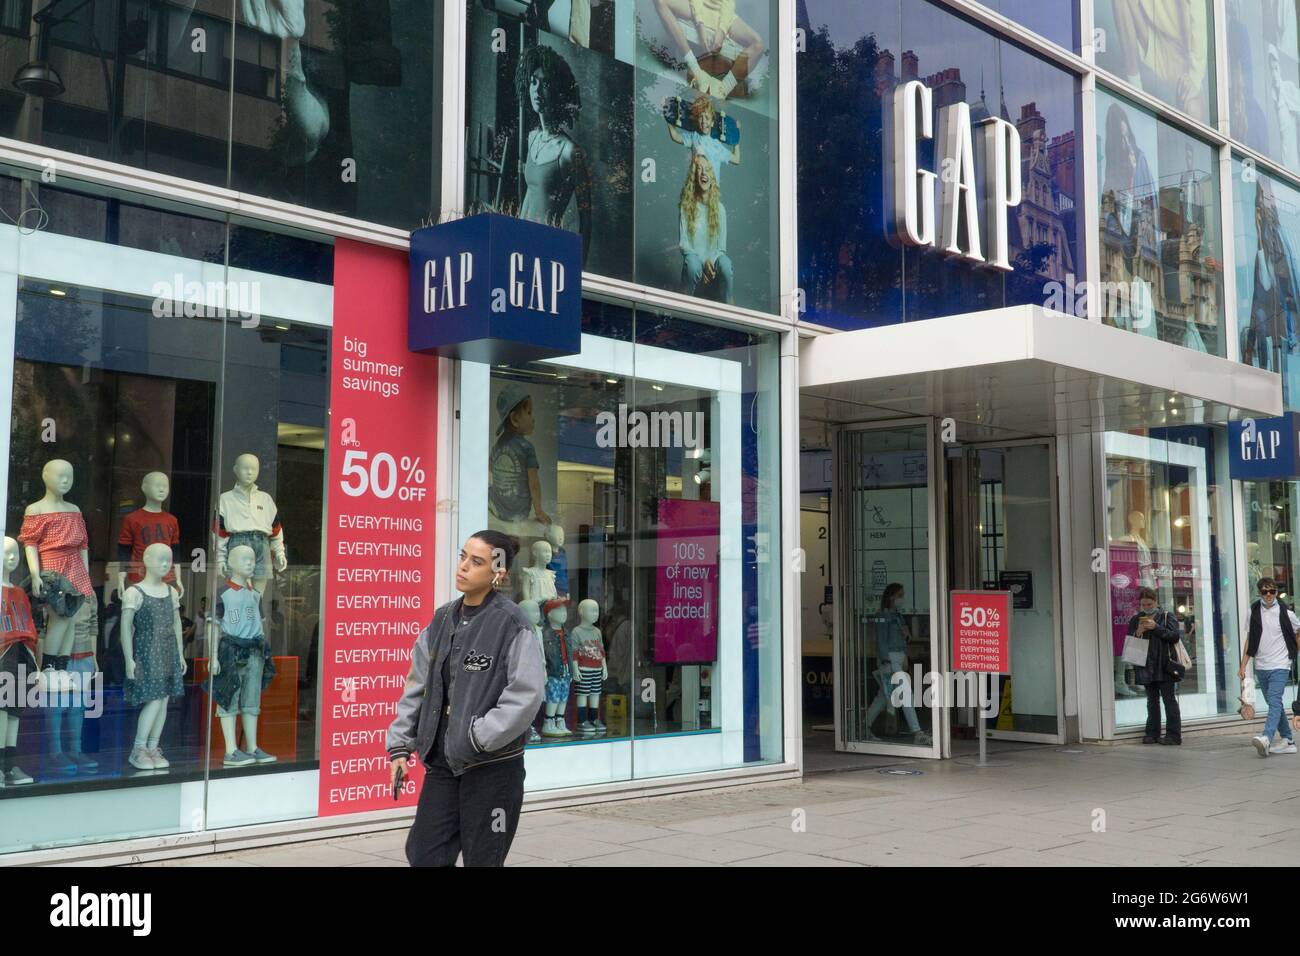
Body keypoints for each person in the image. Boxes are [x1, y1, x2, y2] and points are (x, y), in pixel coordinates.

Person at [387, 531, 545, 866]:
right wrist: (400, 745)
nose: (463, 567)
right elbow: (417, 684)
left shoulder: (512, 623)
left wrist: (478, 736)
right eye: (463, 557)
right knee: (424, 854)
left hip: (492, 769)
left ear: (497, 572)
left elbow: (526, 695)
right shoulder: (442, 618)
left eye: (477, 562)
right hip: (443, 765)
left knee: (483, 859)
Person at [515, 44, 593, 264]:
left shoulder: (569, 152)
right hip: (519, 246)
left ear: (557, 90)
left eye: (545, 83)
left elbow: (586, 217)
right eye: (533, 82)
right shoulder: (532, 139)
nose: (537, 91)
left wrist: (580, 270)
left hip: (545, 252)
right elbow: (529, 197)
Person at [1238, 577, 1298, 757]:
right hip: (1262, 666)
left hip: (1281, 664)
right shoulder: (1253, 611)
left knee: (1273, 700)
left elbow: (1298, 630)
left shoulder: (1287, 613)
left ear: (1276, 592)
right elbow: (1250, 640)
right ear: (1259, 593)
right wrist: (1243, 665)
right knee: (1275, 703)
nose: (1269, 595)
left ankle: (1267, 737)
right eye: (1265, 591)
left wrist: (1294, 651)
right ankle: (1288, 740)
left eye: (1272, 591)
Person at [863, 583, 929, 745]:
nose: (902, 598)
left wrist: (905, 649)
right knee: (906, 693)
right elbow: (881, 641)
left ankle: (863, 726)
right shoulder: (883, 616)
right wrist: (886, 662)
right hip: (890, 659)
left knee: (883, 697)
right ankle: (917, 732)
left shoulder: (898, 616)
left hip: (898, 657)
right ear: (891, 597)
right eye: (900, 595)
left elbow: (904, 638)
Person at [1128, 586, 1183, 745]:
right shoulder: (1136, 619)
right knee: (1151, 701)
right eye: (1143, 605)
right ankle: (1152, 733)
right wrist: (1138, 631)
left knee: (1169, 700)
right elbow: (1131, 641)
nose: (1146, 608)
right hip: (1146, 666)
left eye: (1149, 604)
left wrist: (1156, 627)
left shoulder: (1166, 616)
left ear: (1156, 602)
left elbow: (1175, 637)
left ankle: (1173, 735)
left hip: (1165, 665)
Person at [489, 384, 550, 526]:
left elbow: (491, 467)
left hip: (498, 507)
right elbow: (533, 483)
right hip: (519, 513)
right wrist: (539, 511)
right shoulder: (527, 448)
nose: (533, 418)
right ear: (515, 419)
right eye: (529, 413)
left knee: (489, 489)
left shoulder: (497, 445)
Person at [678, 152, 732, 303]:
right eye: (699, 169)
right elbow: (684, 244)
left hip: (712, 271)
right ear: (694, 175)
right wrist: (703, 262)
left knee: (725, 264)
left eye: (707, 169)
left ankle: (730, 309)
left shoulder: (720, 209)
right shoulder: (686, 206)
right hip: (694, 269)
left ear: (712, 176)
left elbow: (721, 249)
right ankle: (683, 306)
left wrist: (710, 263)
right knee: (693, 264)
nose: (704, 173)